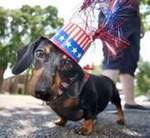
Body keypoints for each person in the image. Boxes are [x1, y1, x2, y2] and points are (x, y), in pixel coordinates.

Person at [98, 0, 147, 110]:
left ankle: (130, 101)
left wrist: (138, 20)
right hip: (115, 10)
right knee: (113, 57)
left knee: (130, 61)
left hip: (133, 13)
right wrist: (107, 9)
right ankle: (98, 102)